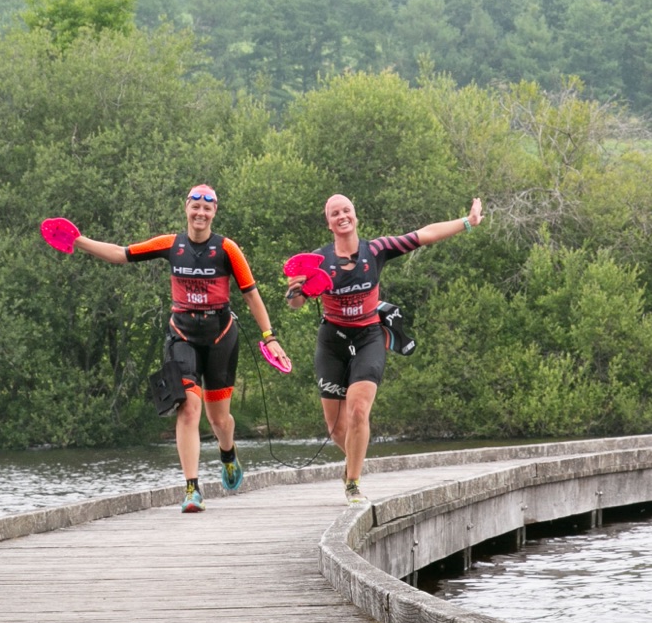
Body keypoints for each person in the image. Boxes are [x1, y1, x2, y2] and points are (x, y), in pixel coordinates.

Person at [66, 185, 288, 513]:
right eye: (195, 206)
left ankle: (228, 454)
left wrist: (270, 337)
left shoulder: (227, 250)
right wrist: (77, 240)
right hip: (181, 335)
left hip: (220, 338)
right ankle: (191, 489)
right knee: (187, 408)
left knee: (219, 419)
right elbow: (120, 254)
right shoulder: (171, 245)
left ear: (214, 213)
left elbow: (251, 295)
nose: (200, 213)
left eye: (207, 208)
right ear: (186, 208)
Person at [288, 194, 484, 505]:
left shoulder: (376, 250)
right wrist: (295, 292)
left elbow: (424, 234)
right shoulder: (318, 260)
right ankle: (353, 462)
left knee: (358, 411)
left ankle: (352, 484)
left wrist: (467, 222)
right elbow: (297, 304)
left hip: (368, 336)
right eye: (334, 213)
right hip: (332, 341)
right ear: (329, 223)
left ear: (355, 216)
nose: (342, 216)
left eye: (346, 210)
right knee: (336, 428)